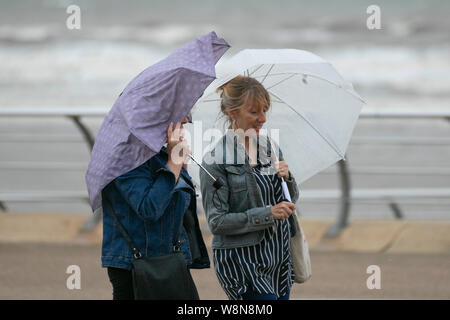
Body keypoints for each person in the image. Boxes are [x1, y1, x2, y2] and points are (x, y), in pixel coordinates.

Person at [199, 76, 300, 300]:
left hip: (278, 260)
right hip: (244, 265)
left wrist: (288, 179)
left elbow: (289, 201)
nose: (262, 119)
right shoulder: (215, 160)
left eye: (265, 110)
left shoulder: (270, 148)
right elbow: (217, 222)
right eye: (254, 112)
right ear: (232, 112)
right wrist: (267, 214)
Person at [101, 117, 210, 300]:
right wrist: (174, 163)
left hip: (168, 259)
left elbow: (179, 208)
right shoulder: (125, 155)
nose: (182, 127)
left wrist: (181, 167)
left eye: (185, 123)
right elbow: (149, 208)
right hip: (136, 265)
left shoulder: (159, 152)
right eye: (179, 121)